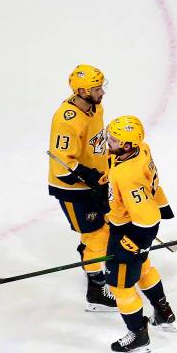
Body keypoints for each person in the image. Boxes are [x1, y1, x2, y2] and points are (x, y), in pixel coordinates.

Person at [104, 116, 177, 353]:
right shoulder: (141, 149)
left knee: (120, 286)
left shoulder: (127, 175)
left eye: (113, 140)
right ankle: (163, 312)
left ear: (127, 145)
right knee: (144, 269)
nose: (108, 142)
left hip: (129, 231)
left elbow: (147, 217)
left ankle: (138, 335)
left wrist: (136, 243)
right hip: (133, 226)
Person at [48, 64, 116, 311]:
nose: (102, 92)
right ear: (83, 91)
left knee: (107, 225)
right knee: (97, 235)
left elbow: (95, 143)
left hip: (95, 182)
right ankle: (96, 289)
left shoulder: (95, 106)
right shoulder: (67, 119)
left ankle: (88, 254)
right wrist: (89, 176)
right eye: (97, 88)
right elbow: (62, 166)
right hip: (73, 188)